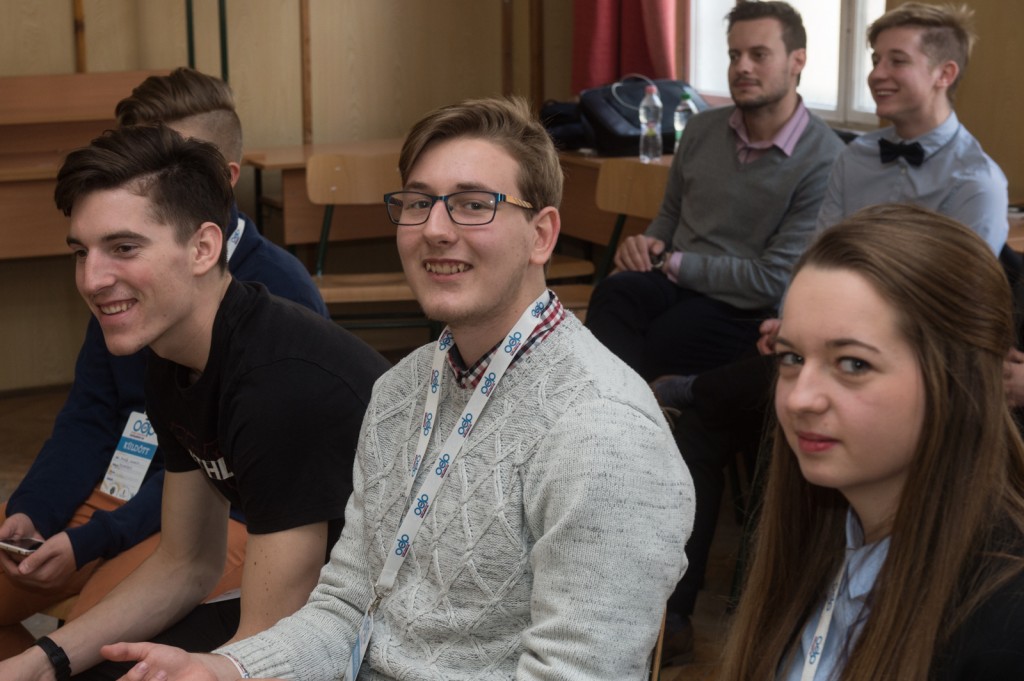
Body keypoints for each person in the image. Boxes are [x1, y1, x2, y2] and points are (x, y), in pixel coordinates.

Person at [98, 96, 694, 680]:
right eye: (417, 203)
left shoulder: (602, 429)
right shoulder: (402, 389)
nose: (434, 229)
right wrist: (227, 668)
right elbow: (344, 609)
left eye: (472, 205)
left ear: (541, 234)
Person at [654, 4, 1013, 663]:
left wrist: (823, 344)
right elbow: (815, 259)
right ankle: (672, 616)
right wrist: (795, 326)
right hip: (825, 340)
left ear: (944, 73)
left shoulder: (977, 181)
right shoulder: (856, 157)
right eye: (874, 60)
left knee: (728, 388)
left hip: (916, 364)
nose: (877, 74)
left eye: (896, 60)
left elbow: (948, 320)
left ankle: (701, 385)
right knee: (697, 418)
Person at [0, 124, 390, 681]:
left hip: (383, 629)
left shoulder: (279, 384)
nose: (91, 278)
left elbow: (267, 644)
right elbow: (185, 563)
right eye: (81, 252)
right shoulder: (175, 355)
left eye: (123, 248)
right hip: (316, 613)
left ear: (204, 248)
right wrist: (42, 663)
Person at [719, 203, 1024, 681]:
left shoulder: (1005, 624)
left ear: (955, 380)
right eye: (792, 358)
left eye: (853, 364)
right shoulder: (819, 539)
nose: (800, 398)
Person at [585, 0, 844, 382]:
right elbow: (670, 214)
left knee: (668, 338)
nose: (742, 67)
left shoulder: (825, 157)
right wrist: (646, 246)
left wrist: (669, 263)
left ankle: (634, 407)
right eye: (735, 55)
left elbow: (772, 280)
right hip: (674, 278)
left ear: (797, 61)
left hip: (745, 304)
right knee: (613, 293)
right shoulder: (700, 128)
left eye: (759, 55)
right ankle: (607, 408)